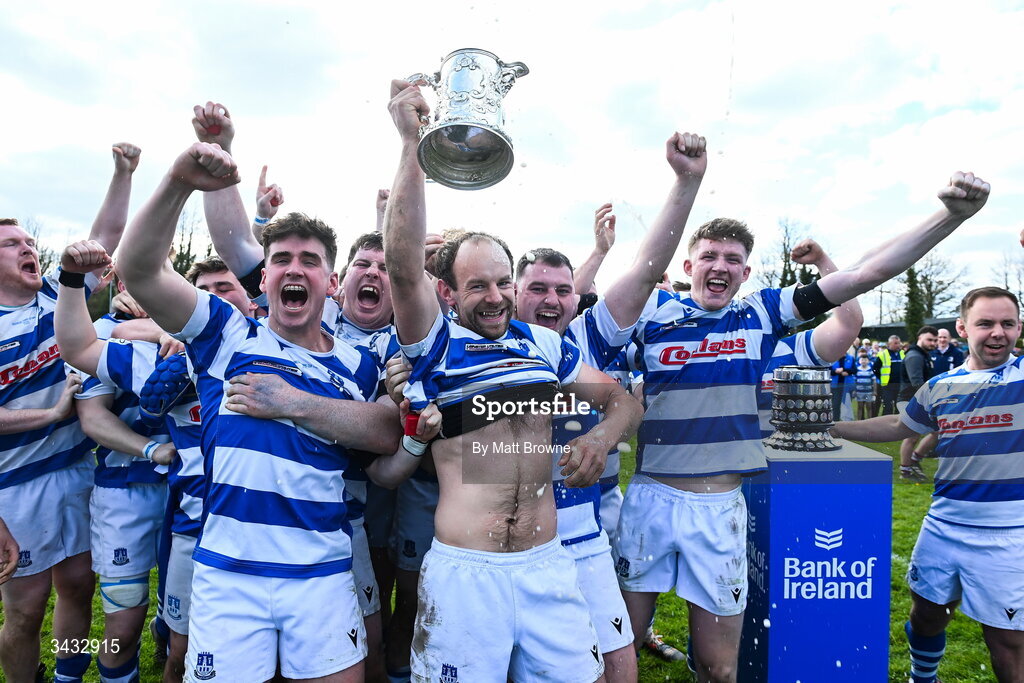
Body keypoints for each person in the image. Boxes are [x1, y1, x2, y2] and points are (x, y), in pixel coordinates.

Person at [616, 170, 991, 682]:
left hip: (720, 507)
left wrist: (950, 216)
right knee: (621, 652)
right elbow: (604, 354)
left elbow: (862, 276)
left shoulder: (762, 314)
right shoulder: (652, 315)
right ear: (688, 265)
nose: (719, 266)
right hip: (650, 500)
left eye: (732, 259)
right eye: (709, 256)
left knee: (719, 668)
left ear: (746, 273)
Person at [385, 78, 644, 683]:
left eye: (503, 281)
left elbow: (622, 402)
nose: (496, 296)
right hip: (465, 573)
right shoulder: (435, 344)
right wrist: (409, 143)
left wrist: (602, 439)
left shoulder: (544, 343)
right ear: (448, 292)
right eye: (478, 285)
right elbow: (401, 266)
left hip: (547, 566)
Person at [116, 141, 403, 682]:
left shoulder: (359, 361)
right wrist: (179, 180)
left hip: (322, 573)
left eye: (311, 261)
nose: (295, 269)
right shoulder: (225, 333)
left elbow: (387, 431)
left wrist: (289, 402)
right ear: (264, 280)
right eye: (281, 260)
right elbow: (138, 268)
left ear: (331, 283)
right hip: (229, 575)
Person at [832, 286, 1023, 683]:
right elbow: (900, 425)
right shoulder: (942, 385)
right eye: (985, 323)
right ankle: (922, 678)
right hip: (944, 525)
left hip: (1010, 533)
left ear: (1019, 327)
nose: (998, 333)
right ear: (962, 328)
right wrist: (829, 425)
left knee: (1007, 641)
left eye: (1008, 323)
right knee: (926, 615)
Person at [0, 142, 140, 683]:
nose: (26, 247)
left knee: (79, 586)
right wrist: (52, 414)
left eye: (29, 241)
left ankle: (68, 674)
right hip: (15, 487)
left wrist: (123, 173)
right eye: (11, 243)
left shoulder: (58, 302)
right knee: (25, 609)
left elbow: (98, 243)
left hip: (79, 471)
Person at [898, 325, 938, 481]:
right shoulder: (915, 356)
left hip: (919, 399)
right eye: (929, 339)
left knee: (936, 431)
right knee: (911, 435)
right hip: (909, 400)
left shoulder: (924, 355)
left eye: (935, 340)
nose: (933, 343)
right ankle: (905, 472)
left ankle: (914, 460)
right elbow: (917, 384)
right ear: (920, 338)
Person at [874, 334, 905, 415]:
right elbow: (875, 369)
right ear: (889, 344)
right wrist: (882, 378)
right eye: (895, 343)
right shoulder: (882, 354)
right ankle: (886, 425)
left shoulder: (903, 353)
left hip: (900, 385)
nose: (898, 345)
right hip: (887, 385)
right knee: (888, 407)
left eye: (898, 343)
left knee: (899, 406)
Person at [853, 351, 877, 421]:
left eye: (865, 360)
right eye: (862, 360)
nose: (863, 361)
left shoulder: (870, 370)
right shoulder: (857, 370)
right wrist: (854, 390)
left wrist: (874, 391)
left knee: (869, 407)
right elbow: (854, 381)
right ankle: (859, 421)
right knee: (860, 407)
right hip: (859, 392)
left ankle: (869, 421)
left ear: (868, 361)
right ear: (859, 361)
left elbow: (874, 381)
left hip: (868, 392)